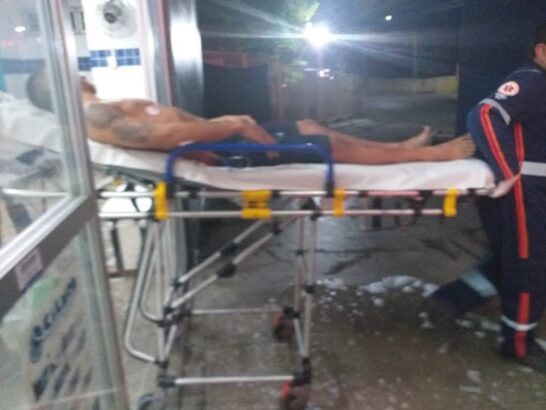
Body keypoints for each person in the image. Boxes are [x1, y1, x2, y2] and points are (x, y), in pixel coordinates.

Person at [26, 69, 475, 166]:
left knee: (310, 127)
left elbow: (168, 126)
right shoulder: (92, 113)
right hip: (224, 152)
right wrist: (235, 125)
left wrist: (228, 120)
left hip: (223, 140)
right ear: (59, 84)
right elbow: (161, 137)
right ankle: (434, 155)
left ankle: (398, 148)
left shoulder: (96, 109)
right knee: (325, 145)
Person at [428, 22, 546, 372]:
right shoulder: (531, 81)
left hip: (531, 189)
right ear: (542, 50)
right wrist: (508, 170)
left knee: (513, 261)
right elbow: (484, 115)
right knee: (529, 267)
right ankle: (518, 344)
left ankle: (452, 299)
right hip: (524, 191)